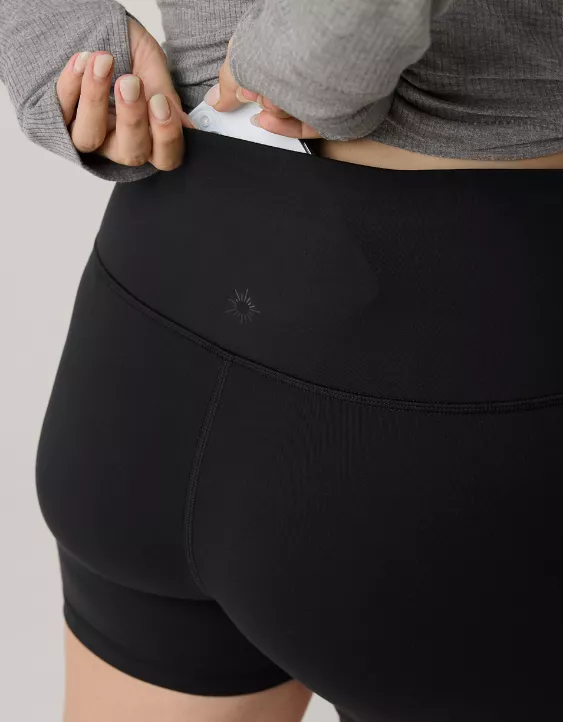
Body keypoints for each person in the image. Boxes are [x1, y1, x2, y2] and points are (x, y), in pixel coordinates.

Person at [2, 1, 563, 721]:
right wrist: (289, 60)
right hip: (453, 353)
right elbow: (351, 31)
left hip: (157, 294)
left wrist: (49, 26)